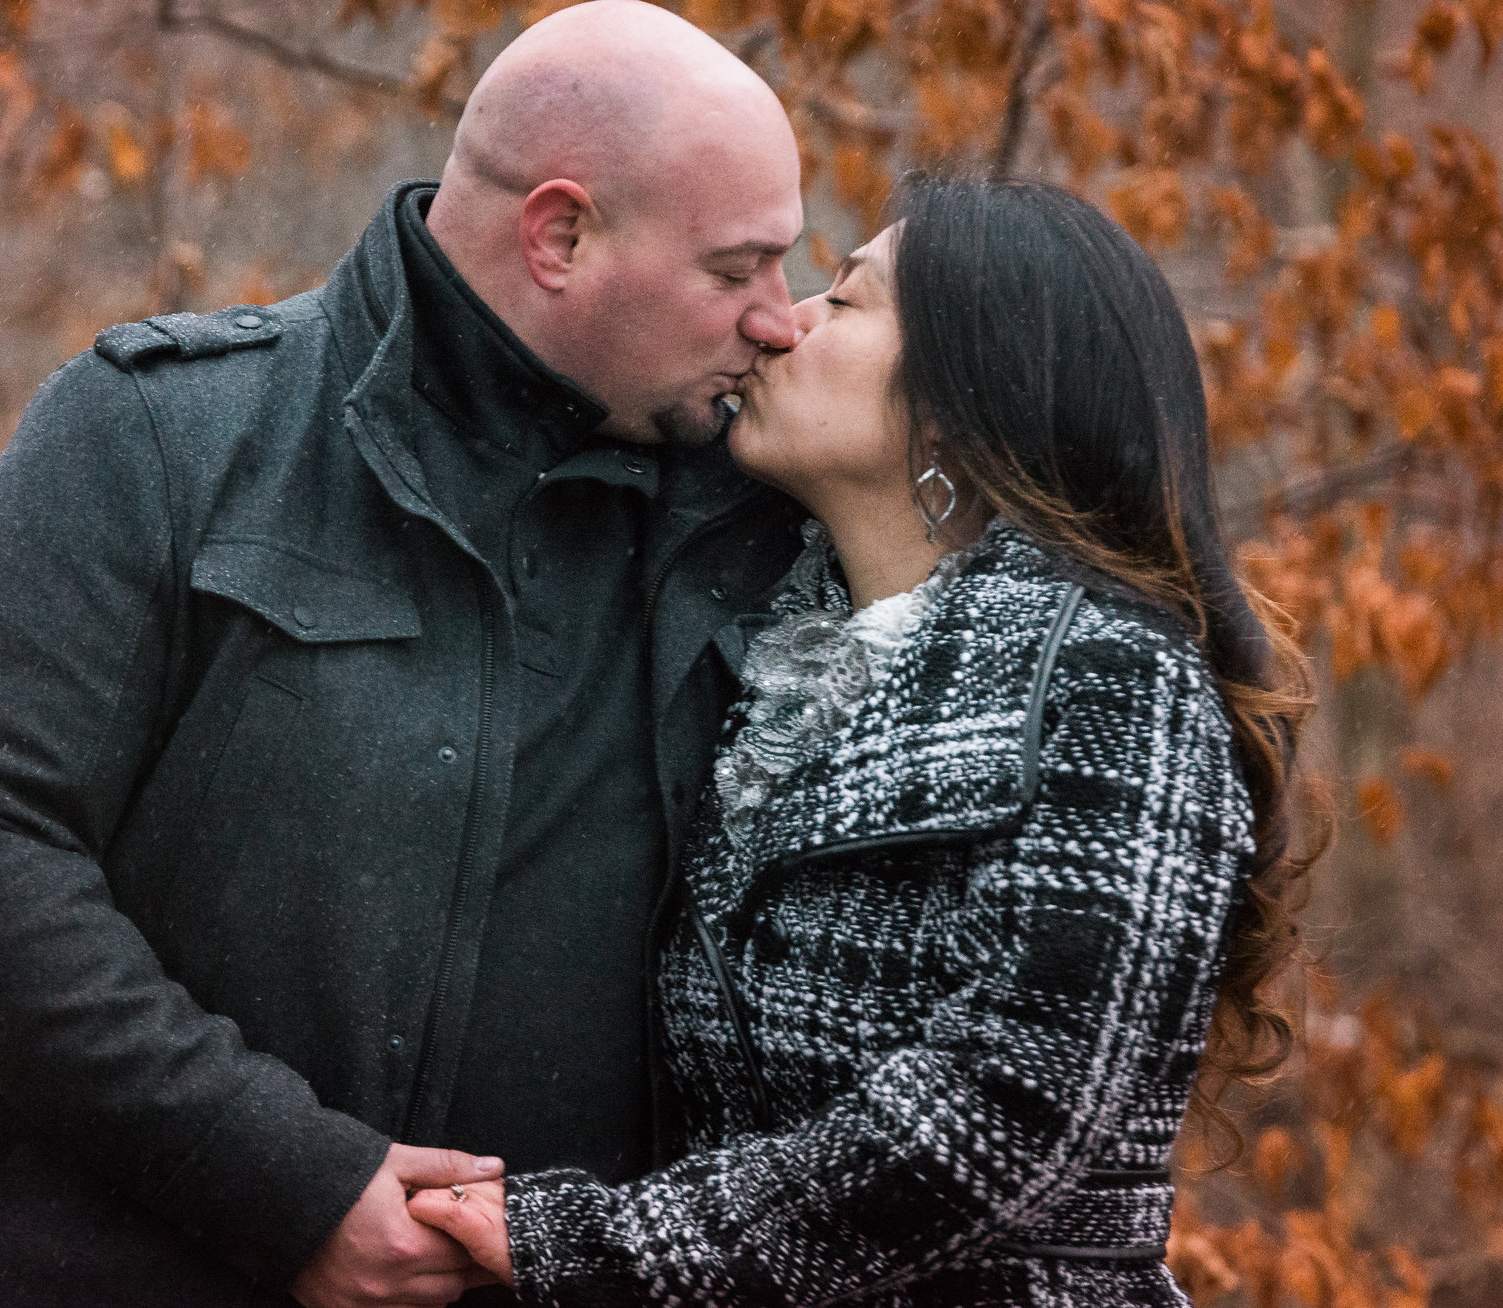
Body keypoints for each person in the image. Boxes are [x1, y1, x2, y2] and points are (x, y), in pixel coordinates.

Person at [0, 0, 812, 1307]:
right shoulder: (167, 437)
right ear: (561, 235)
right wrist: (285, 1184)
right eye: (735, 270)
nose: (781, 320)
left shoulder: (762, 522)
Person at [408, 173, 1315, 1305]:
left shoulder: (1109, 675)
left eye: (843, 301)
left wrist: (594, 1249)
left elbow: (1013, 1108)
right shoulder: (769, 671)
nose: (783, 325)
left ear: (955, 399)